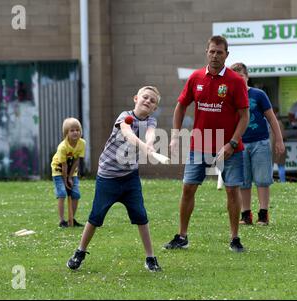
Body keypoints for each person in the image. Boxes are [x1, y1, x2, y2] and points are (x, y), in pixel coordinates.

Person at [163, 36, 249, 252]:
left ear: (226, 55)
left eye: (219, 52)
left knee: (232, 190)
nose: (215, 56)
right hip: (199, 144)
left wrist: (232, 143)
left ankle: (234, 238)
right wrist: (175, 136)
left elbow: (244, 116)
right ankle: (182, 236)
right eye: (212, 51)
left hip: (229, 147)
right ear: (206, 52)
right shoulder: (196, 77)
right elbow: (181, 107)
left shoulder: (236, 81)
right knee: (188, 188)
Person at [67, 86, 162, 272]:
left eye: (152, 101)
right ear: (136, 98)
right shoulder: (124, 116)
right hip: (108, 177)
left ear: (154, 108)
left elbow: (150, 133)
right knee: (96, 217)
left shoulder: (151, 120)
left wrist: (149, 144)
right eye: (145, 97)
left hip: (130, 178)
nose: (148, 101)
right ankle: (80, 252)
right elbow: (127, 133)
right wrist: (144, 146)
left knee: (141, 217)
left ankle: (150, 258)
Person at [230, 63, 285, 226]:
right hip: (239, 144)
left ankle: (263, 213)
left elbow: (271, 118)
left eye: (241, 77)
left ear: (247, 77)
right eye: (235, 77)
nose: (238, 80)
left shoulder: (258, 94)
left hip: (260, 142)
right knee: (244, 181)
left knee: (262, 179)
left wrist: (279, 139)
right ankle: (246, 214)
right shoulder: (230, 98)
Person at [51, 117, 86, 228]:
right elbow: (64, 164)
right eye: (72, 130)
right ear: (66, 133)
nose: (75, 132)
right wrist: (66, 179)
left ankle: (71, 219)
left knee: (75, 194)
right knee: (62, 193)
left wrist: (70, 177)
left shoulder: (82, 143)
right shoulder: (62, 147)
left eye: (77, 130)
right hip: (59, 170)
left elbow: (76, 161)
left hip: (72, 171)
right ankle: (62, 221)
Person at [272, 107, 287, 183]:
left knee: (269, 167)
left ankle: (269, 181)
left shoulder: (268, 123)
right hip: (280, 146)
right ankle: (283, 182)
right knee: (281, 166)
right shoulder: (280, 123)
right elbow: (284, 135)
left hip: (270, 146)